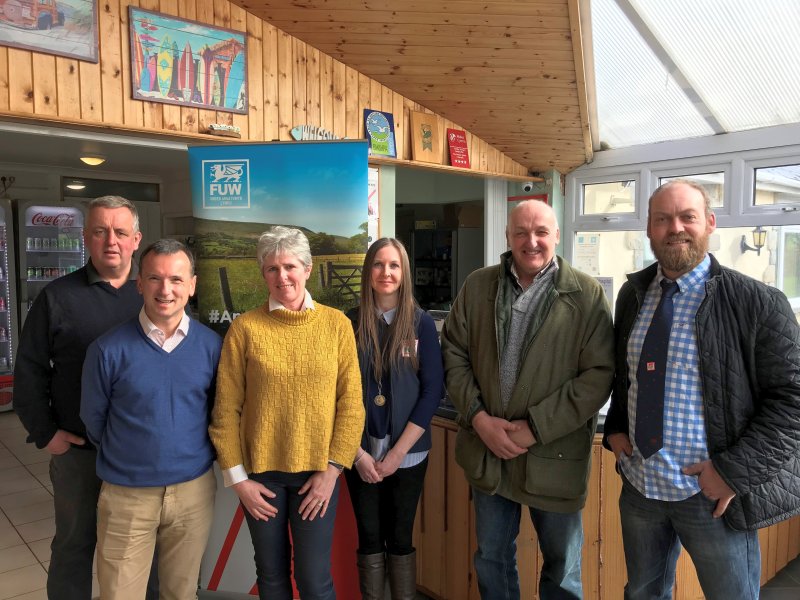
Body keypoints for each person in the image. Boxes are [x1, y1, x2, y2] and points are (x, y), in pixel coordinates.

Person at [603, 180, 800, 599]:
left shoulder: (757, 302)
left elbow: (792, 402)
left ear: (709, 223)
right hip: (641, 486)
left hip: (711, 498)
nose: (675, 228)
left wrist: (729, 474)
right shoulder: (632, 295)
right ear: (649, 230)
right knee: (642, 593)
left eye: (687, 216)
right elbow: (626, 375)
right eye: (662, 219)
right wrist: (616, 427)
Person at [440, 200, 614, 600]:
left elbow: (598, 376)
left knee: (562, 571)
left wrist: (534, 428)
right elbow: (453, 352)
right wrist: (479, 419)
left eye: (540, 232)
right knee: (491, 560)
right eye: (521, 232)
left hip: (554, 459)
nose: (531, 241)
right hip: (489, 456)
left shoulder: (586, 296)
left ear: (556, 235)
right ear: (508, 237)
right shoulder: (477, 286)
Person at [209, 225, 364, 600]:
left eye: (290, 266)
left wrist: (333, 471)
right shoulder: (245, 329)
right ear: (262, 273)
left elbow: (351, 405)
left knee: (314, 579)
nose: (282, 277)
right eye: (272, 268)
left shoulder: (337, 325)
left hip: (318, 475)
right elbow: (225, 410)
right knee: (272, 575)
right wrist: (239, 481)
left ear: (308, 269)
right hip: (262, 478)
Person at [13, 195, 145, 599]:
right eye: (101, 231)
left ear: (136, 239)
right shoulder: (57, 297)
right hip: (78, 451)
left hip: (142, 454)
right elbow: (29, 370)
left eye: (121, 232)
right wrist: (46, 432)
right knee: (74, 545)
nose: (111, 241)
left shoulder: (154, 293)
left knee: (137, 551)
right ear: (86, 237)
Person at [80, 239, 222, 598]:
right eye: (155, 279)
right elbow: (93, 419)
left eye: (176, 279)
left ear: (192, 284)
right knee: (119, 593)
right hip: (127, 495)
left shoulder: (212, 347)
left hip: (193, 493)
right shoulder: (107, 349)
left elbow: (218, 412)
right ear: (139, 284)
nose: (165, 290)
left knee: (181, 591)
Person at [345, 238, 444, 600]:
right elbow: (335, 394)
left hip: (409, 453)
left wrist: (398, 454)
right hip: (359, 453)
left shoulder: (421, 324)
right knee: (369, 536)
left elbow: (432, 391)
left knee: (400, 537)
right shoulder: (348, 323)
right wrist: (357, 455)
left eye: (394, 266)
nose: (386, 273)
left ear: (404, 273)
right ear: (368, 271)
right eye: (378, 265)